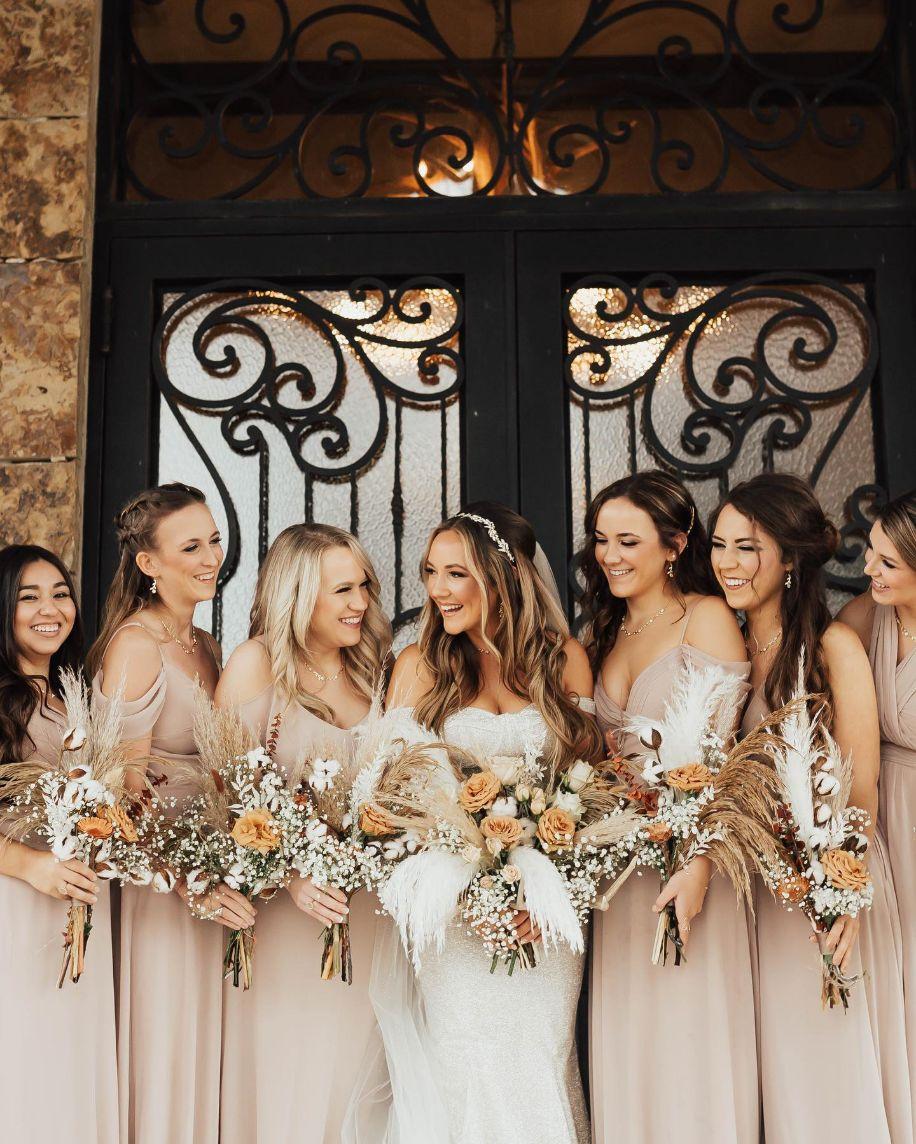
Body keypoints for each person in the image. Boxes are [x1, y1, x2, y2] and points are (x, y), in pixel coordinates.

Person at [366, 502, 599, 1144]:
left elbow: (592, 794)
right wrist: (461, 882)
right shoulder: (418, 666)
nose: (438, 589)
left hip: (542, 917)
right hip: (455, 917)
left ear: (502, 575)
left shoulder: (564, 660)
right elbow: (393, 792)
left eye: (456, 573)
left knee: (539, 1065)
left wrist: (550, 895)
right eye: (430, 572)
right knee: (463, 1069)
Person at [713, 473, 907, 1143]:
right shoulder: (728, 650)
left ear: (790, 558)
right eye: (720, 545)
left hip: (829, 883)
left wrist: (843, 891)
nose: (728, 563)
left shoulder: (833, 647)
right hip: (757, 891)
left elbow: (862, 785)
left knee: (826, 1061)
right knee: (776, 1076)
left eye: (747, 547)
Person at [582, 471, 757, 1144]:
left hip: (692, 868)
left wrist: (701, 862)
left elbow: (725, 760)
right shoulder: (604, 630)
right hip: (621, 877)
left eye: (628, 541)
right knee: (634, 1054)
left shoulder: (704, 618)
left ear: (675, 545)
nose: (610, 555)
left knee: (691, 1049)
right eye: (601, 540)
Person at [216, 523, 391, 1144]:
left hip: (369, 917)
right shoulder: (256, 664)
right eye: (342, 590)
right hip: (288, 919)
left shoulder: (374, 671)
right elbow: (224, 796)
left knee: (356, 1081)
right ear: (297, 594)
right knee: (292, 1076)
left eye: (363, 586)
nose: (360, 603)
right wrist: (291, 874)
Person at [88, 483, 248, 1144]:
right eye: (191, 547)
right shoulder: (135, 646)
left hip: (213, 871)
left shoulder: (206, 644)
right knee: (164, 1047)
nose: (210, 557)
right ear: (149, 563)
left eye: (213, 540)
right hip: (160, 884)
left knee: (203, 1051)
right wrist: (188, 879)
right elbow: (122, 795)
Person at [0, 544, 118, 1143]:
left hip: (79, 899)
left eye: (61, 594)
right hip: (17, 902)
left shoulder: (77, 697)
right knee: (25, 1058)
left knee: (70, 1061)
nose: (50, 609)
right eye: (30, 597)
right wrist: (29, 865)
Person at [840, 488, 916, 1134]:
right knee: (895, 978)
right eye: (871, 553)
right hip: (880, 812)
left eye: (887, 562)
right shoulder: (870, 615)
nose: (869, 569)